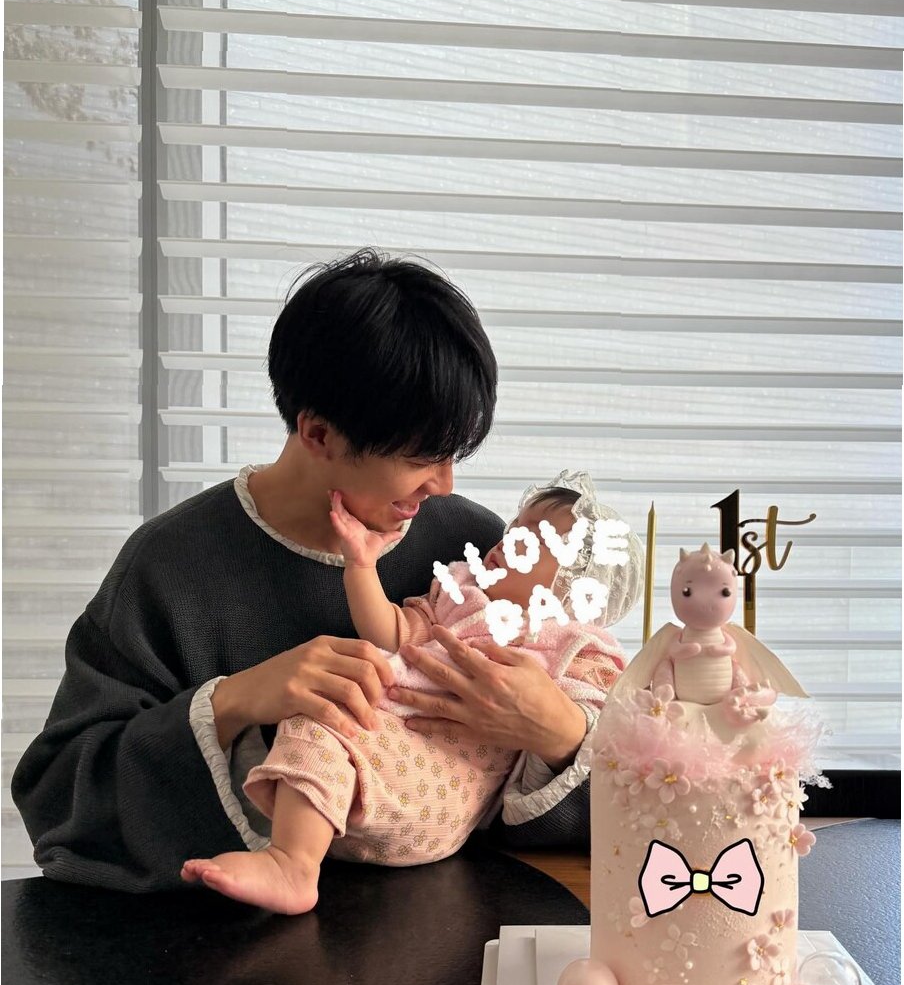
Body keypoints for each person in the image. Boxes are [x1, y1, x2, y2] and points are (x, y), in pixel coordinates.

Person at [12, 248, 615, 894]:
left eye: (453, 455)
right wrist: (232, 703)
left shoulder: (474, 549)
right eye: (421, 457)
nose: (443, 483)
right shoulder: (171, 565)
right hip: (227, 946)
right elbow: (60, 801)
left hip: (449, 940)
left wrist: (560, 734)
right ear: (319, 434)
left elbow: (628, 811)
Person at [180, 478, 643, 913]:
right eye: (513, 527)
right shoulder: (460, 598)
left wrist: (564, 722)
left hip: (448, 787)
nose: (507, 540)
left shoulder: (572, 643)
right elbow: (391, 631)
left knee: (324, 724)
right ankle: (294, 857)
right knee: (318, 713)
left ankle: (291, 864)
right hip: (378, 745)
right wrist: (361, 567)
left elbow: (605, 730)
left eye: (533, 540)